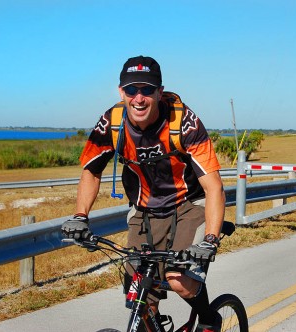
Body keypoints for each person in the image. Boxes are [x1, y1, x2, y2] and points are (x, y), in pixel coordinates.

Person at [61, 55, 225, 332]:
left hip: (188, 205)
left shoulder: (183, 121)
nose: (139, 98)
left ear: (159, 93)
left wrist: (209, 240)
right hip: (145, 210)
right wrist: (80, 216)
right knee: (138, 293)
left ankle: (209, 320)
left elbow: (214, 187)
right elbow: (91, 170)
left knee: (178, 278)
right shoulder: (112, 122)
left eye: (147, 90)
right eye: (131, 90)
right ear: (121, 92)